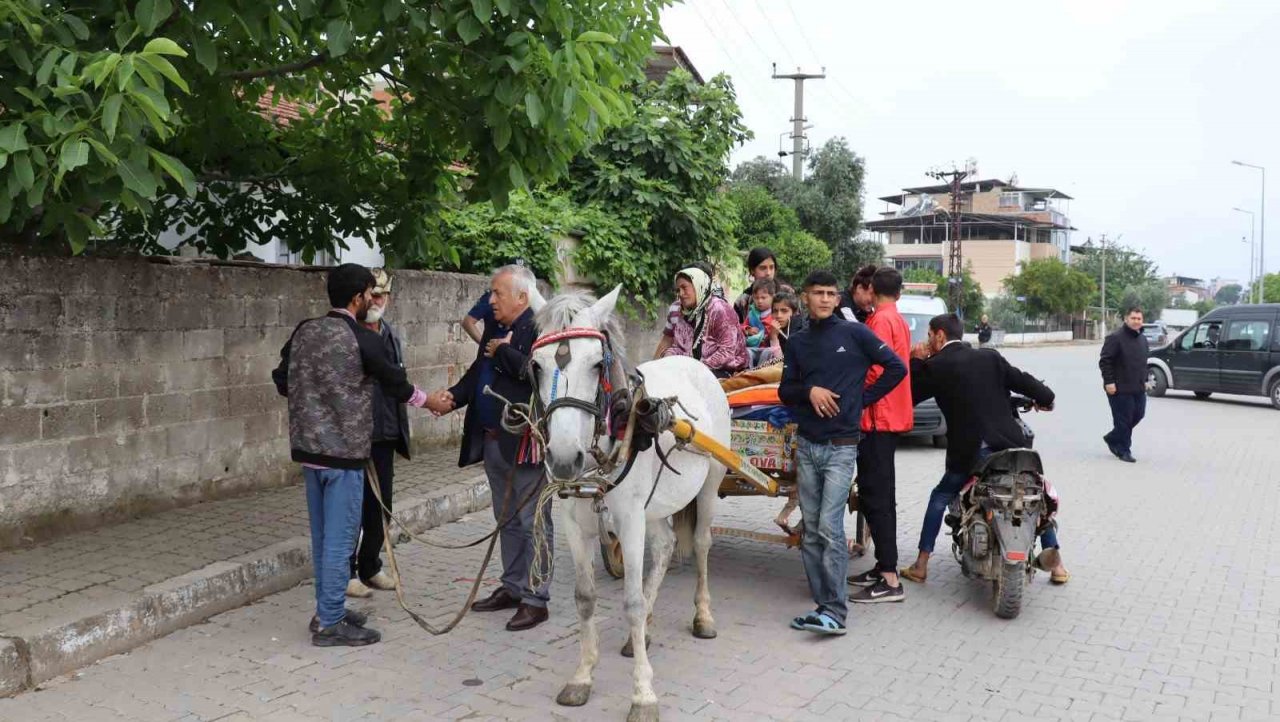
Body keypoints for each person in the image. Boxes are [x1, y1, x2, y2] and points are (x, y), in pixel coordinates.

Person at [272, 263, 431, 647]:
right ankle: (330, 623)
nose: (371, 300)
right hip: (344, 458)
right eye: (368, 293)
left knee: (325, 538)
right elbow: (398, 385)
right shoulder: (362, 338)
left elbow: (282, 379)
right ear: (357, 297)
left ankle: (328, 609)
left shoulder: (303, 332)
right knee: (341, 541)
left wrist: (315, 396)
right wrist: (431, 402)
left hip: (310, 454)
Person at [779, 270, 907, 636]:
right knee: (812, 530)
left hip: (841, 447)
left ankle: (835, 611)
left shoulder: (855, 333)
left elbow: (896, 368)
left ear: (838, 299)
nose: (823, 299)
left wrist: (859, 400)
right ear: (805, 296)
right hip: (807, 445)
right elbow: (786, 391)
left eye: (830, 293)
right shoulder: (799, 342)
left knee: (831, 529)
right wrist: (811, 392)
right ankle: (823, 604)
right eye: (817, 292)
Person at [425, 264, 551, 632]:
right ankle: (513, 588)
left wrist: (504, 353)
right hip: (493, 439)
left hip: (524, 442)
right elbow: (477, 374)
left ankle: (536, 598)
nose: (490, 301)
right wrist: (451, 397)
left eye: (497, 293)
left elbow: (539, 375)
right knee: (507, 519)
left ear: (521, 298)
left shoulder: (540, 327)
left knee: (533, 522)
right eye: (491, 293)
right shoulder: (496, 328)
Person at [899, 314, 1070, 585]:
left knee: (940, 496)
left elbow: (908, 395)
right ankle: (1058, 566)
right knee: (1034, 495)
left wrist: (916, 361)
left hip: (970, 454)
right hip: (1011, 448)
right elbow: (1028, 383)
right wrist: (1043, 399)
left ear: (940, 335)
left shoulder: (936, 365)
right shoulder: (989, 357)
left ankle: (921, 565)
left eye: (930, 335)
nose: (927, 341)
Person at [848, 267, 912, 604]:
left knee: (877, 496)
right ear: (899, 293)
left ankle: (889, 577)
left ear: (871, 290)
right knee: (879, 494)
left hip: (877, 419)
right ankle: (883, 567)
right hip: (886, 417)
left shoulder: (880, 321)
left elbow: (875, 370)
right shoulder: (896, 319)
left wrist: (853, 396)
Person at [345, 269, 409, 599]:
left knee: (381, 505)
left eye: (382, 296)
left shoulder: (391, 334)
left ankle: (370, 565)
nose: (376, 301)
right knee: (350, 508)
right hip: (354, 434)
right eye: (373, 295)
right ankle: (347, 571)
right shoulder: (347, 334)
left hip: (385, 431)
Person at [662, 266, 749, 377]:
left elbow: (726, 352)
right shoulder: (684, 313)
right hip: (697, 370)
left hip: (728, 371)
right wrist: (668, 357)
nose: (681, 294)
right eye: (678, 290)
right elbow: (681, 348)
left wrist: (696, 368)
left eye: (684, 287)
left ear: (698, 286)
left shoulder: (719, 310)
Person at [1099, 306, 1150, 463]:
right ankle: (1123, 450)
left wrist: (1146, 380)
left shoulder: (1143, 339)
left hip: (1138, 387)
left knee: (1139, 414)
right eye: (1133, 318)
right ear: (1126, 319)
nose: (1136, 321)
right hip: (1119, 388)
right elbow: (1105, 361)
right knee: (1124, 420)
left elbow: (1143, 362)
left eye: (1139, 319)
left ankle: (1113, 437)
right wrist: (1109, 382)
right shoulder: (1115, 338)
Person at [654, 261, 723, 358]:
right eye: (679, 289)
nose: (681, 294)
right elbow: (666, 340)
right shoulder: (676, 309)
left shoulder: (717, 311)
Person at [733, 247, 783, 323]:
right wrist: (747, 330)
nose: (768, 273)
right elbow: (735, 329)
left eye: (771, 267)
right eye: (763, 268)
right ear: (752, 270)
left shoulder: (786, 293)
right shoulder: (743, 301)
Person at [764, 291, 800, 361]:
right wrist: (773, 338)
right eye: (775, 311)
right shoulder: (773, 331)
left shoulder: (802, 331)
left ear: (795, 313)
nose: (778, 315)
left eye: (784, 311)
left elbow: (784, 363)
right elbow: (776, 363)